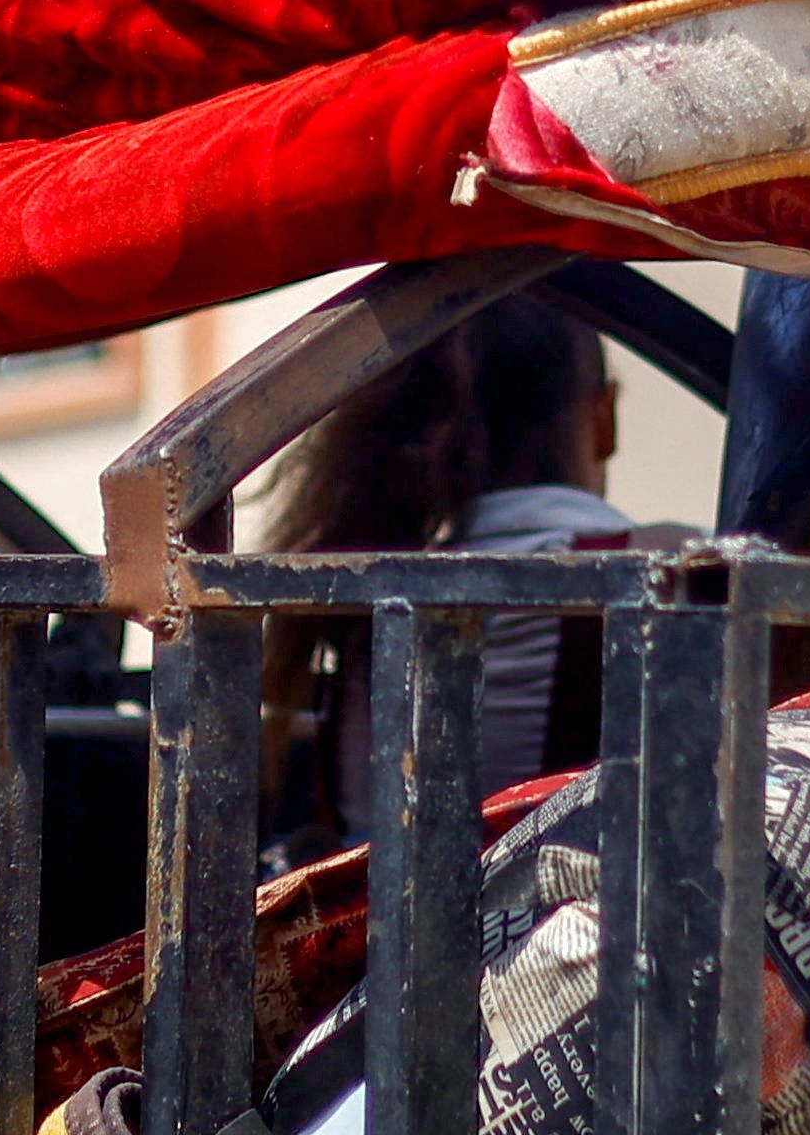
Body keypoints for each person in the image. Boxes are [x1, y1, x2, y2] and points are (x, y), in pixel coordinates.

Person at [257, 289, 687, 821]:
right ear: (605, 420)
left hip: (377, 906)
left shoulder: (362, 594)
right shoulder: (673, 567)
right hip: (587, 904)